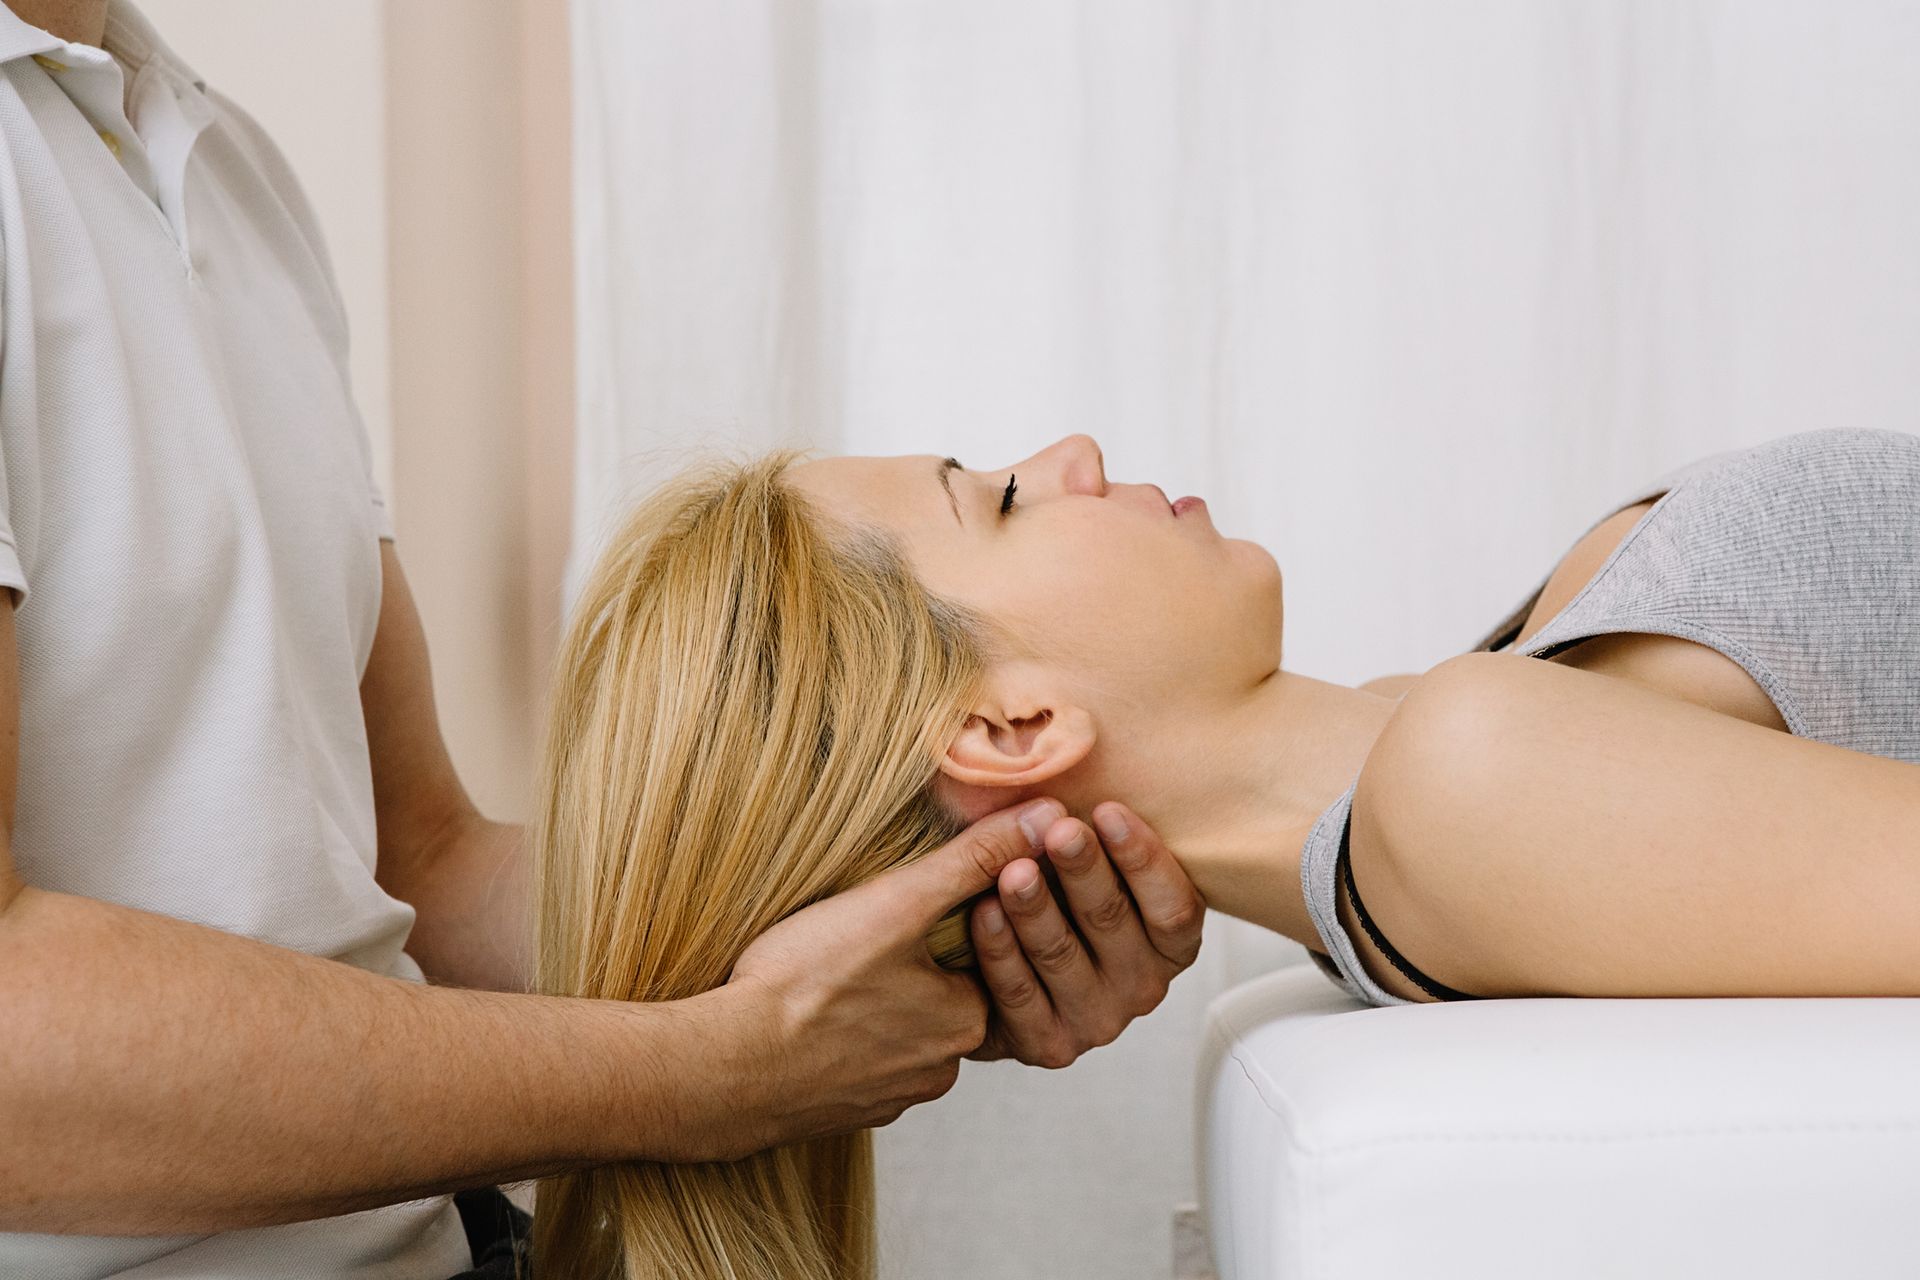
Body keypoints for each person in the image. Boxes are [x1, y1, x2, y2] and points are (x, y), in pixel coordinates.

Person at [0, 4, 1206, 1278]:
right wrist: (713, 1074)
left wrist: (923, 921)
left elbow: (421, 864)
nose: (1074, 462)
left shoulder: (211, 159)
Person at [543, 424, 1920, 1273]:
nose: (1071, 451)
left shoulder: (1448, 756)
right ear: (1014, 725)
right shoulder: (1464, 785)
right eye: (1004, 499)